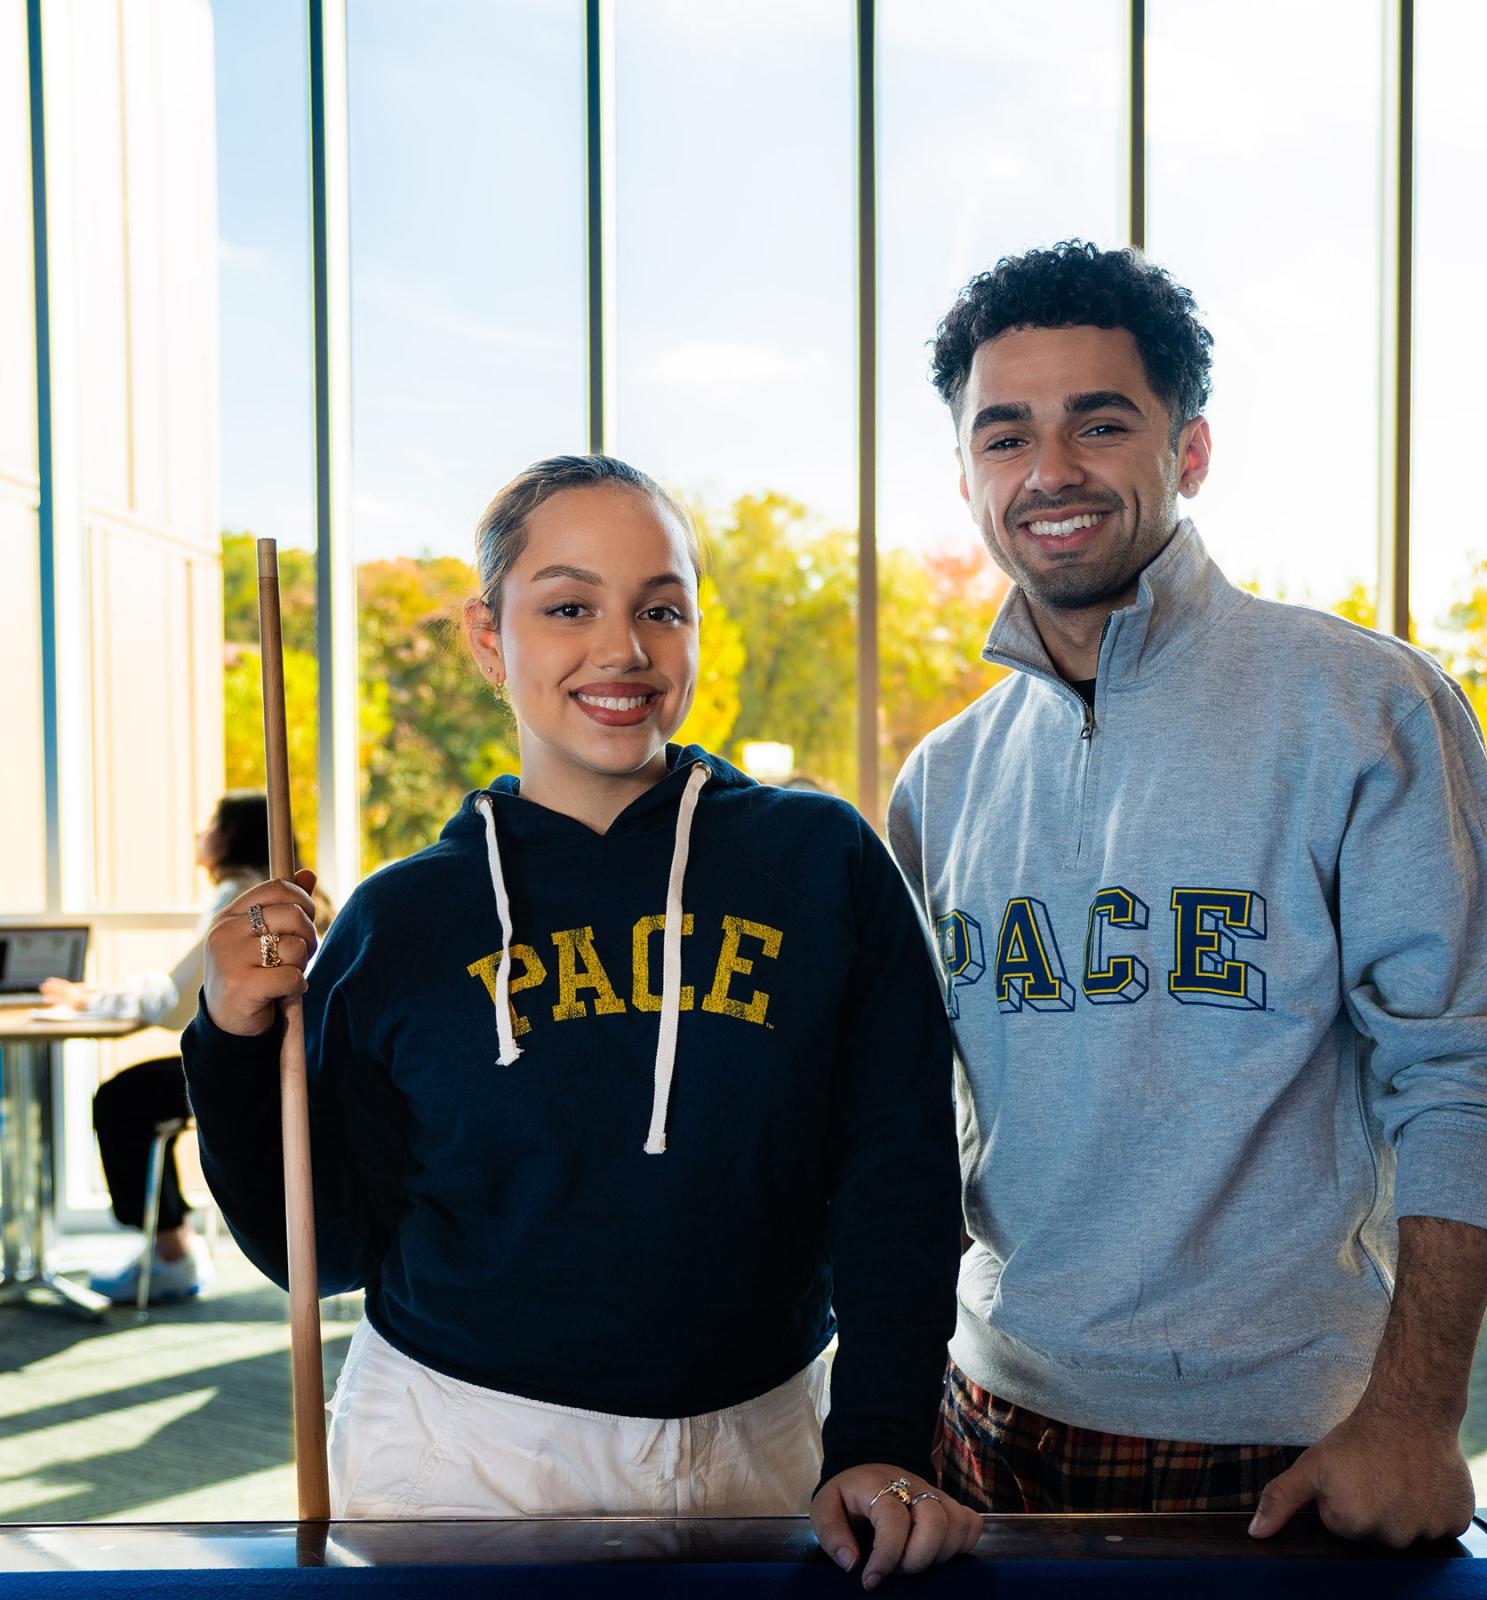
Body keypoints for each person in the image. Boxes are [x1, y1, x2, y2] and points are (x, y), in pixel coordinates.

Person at [182, 454, 979, 1583]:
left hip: (767, 1439)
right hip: (463, 1456)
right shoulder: (399, 919)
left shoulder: (825, 863)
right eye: (567, 606)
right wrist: (230, 1034)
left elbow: (896, 1174)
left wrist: (887, 1438)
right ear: (486, 639)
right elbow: (322, 1246)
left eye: (661, 607)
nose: (623, 649)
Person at [886, 241, 1487, 1546]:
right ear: (968, 473)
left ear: (1188, 453)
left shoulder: (1364, 707)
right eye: (1005, 434)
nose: (1051, 471)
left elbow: (1474, 1071)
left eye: (1101, 423)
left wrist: (1416, 1412)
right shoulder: (941, 781)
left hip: (1287, 1445)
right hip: (982, 1423)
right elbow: (914, 1134)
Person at [39, 793, 290, 1303]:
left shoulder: (240, 899)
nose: (202, 831)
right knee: (143, 1095)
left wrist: (96, 998)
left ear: (233, 835)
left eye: (213, 822)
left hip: (253, 1064)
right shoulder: (282, 895)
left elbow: (179, 1002)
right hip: (283, 1056)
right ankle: (174, 1246)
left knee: (121, 1100)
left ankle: (172, 1252)